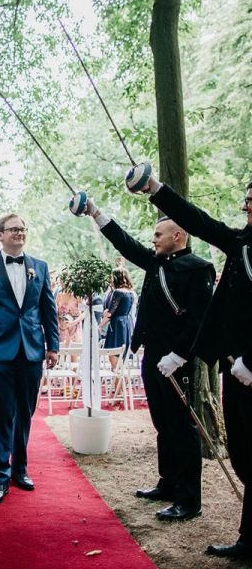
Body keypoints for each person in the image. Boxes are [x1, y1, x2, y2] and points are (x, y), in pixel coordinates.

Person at [135, 171, 252, 559]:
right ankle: (248, 536)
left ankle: (207, 509)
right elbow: (200, 219)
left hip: (245, 365)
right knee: (243, 453)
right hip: (235, 367)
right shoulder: (241, 240)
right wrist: (155, 189)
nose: (244, 206)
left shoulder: (199, 266)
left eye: (251, 200)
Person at [75, 195, 214, 521]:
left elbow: (199, 320)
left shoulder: (198, 269)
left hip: (177, 359)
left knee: (182, 427)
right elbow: (125, 243)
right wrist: (96, 213)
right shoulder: (155, 263)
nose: (152, 240)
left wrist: (179, 356)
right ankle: (168, 483)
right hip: (153, 356)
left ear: (177, 236)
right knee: (162, 424)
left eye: (158, 235)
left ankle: (189, 499)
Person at [0, 213, 59, 505]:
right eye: (13, 229)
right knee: (2, 415)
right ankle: (0, 478)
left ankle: (20, 469)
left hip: (31, 351)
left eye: (22, 229)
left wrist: (52, 346)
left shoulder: (39, 267)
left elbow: (48, 310)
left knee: (25, 415)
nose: (19, 233)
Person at [100, 267, 135, 368]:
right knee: (122, 358)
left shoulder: (117, 292)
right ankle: (119, 382)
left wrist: (100, 325)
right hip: (126, 324)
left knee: (114, 358)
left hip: (117, 325)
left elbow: (110, 313)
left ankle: (118, 382)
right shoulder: (130, 292)